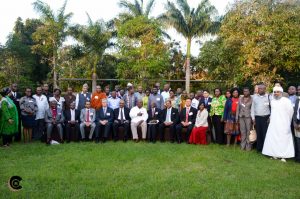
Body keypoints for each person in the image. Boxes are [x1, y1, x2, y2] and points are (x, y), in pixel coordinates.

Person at [262, 86, 295, 162]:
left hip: (284, 123)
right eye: (275, 92)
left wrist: (287, 122)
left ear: (281, 93)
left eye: (278, 92)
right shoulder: (272, 101)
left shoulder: (286, 101)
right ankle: (274, 154)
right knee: (273, 138)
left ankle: (284, 156)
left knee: (283, 139)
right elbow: (273, 112)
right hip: (274, 123)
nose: (276, 93)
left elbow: (290, 112)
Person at [251, 83, 271, 152]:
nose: (260, 90)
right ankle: (259, 148)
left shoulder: (269, 97)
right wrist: (253, 118)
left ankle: (265, 149)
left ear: (265, 89)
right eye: (259, 88)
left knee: (265, 133)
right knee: (258, 133)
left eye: (261, 88)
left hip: (266, 118)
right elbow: (252, 109)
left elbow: (272, 108)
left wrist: (270, 117)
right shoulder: (254, 97)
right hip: (257, 118)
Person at [293, 95, 300, 163]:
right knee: (297, 140)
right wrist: (294, 122)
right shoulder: (298, 99)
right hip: (297, 122)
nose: (298, 91)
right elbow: (295, 112)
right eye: (298, 90)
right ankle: (298, 157)